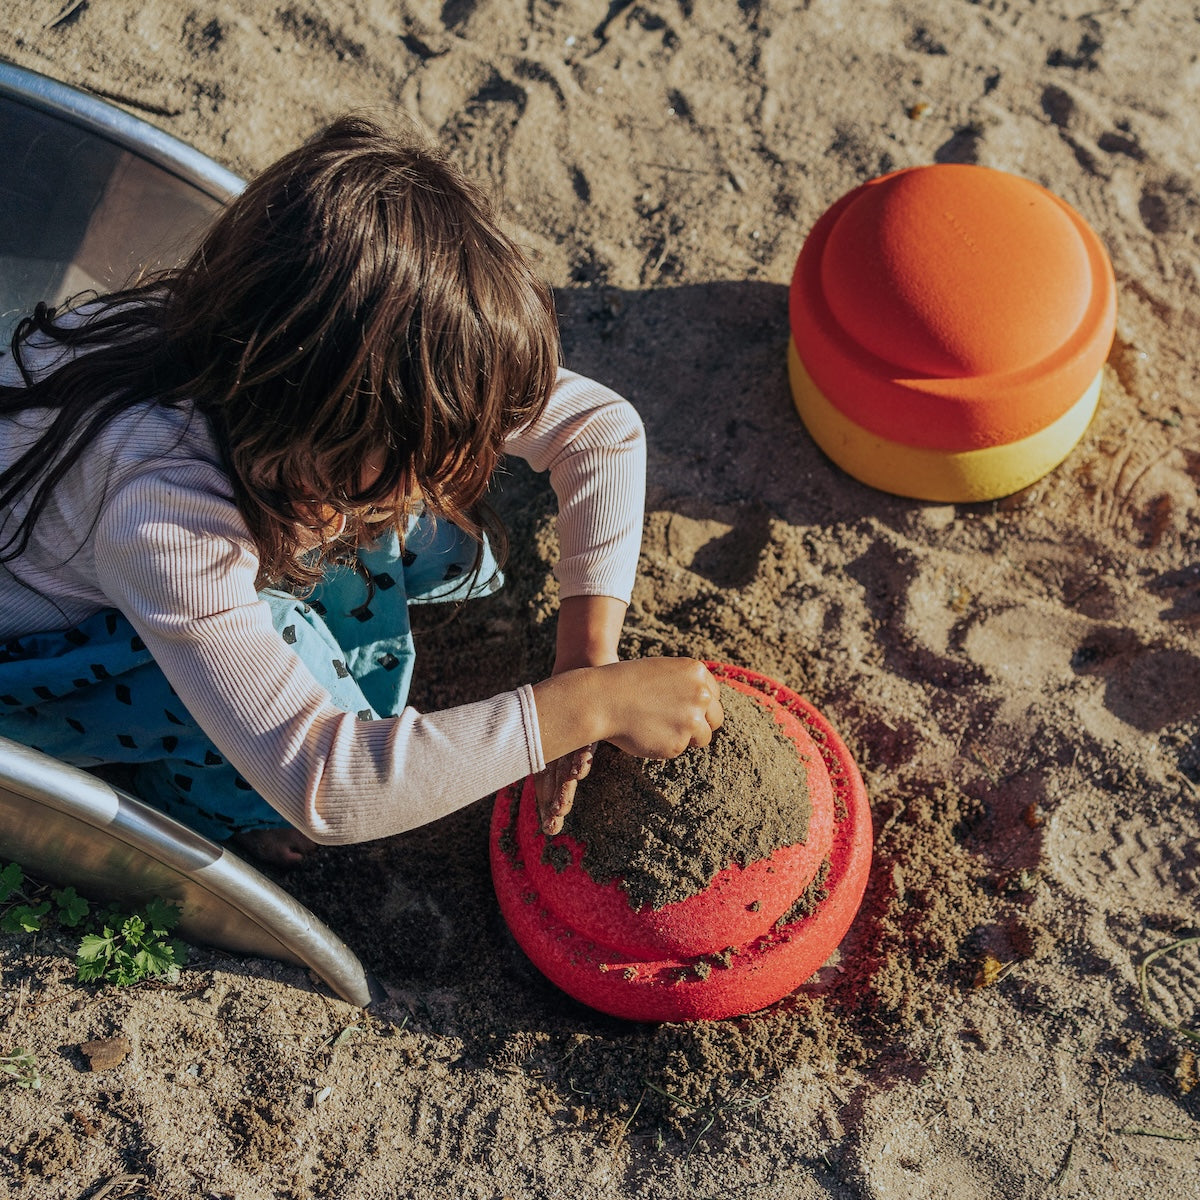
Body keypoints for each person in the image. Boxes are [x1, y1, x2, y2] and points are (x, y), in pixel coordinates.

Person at [0, 113, 723, 867]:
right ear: (324, 417)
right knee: (281, 686)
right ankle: (203, 804)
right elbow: (330, 783)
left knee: (421, 529)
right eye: (410, 461)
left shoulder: (293, 372)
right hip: (38, 667)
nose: (433, 482)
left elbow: (600, 432)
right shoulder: (163, 522)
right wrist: (588, 706)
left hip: (225, 507)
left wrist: (587, 655)